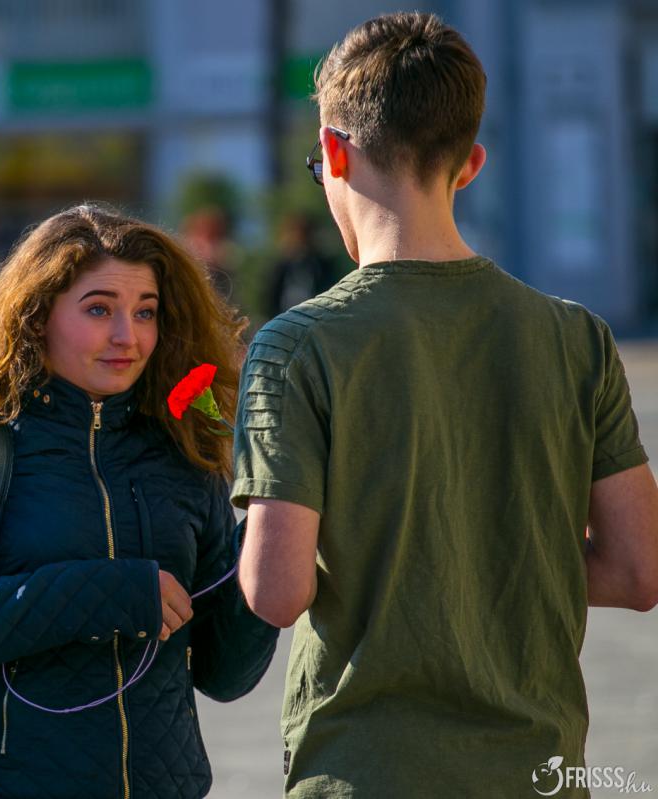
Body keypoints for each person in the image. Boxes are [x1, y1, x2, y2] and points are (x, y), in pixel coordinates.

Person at [231, 12, 658, 798]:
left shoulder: (298, 346)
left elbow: (276, 591)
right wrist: (488, 554)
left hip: (365, 771)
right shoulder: (578, 338)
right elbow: (638, 571)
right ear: (470, 165)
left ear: (333, 153)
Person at [0, 204, 278, 799]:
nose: (128, 337)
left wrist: (269, 531)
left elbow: (226, 675)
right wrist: (112, 594)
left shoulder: (182, 451)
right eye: (99, 309)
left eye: (145, 312)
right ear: (37, 316)